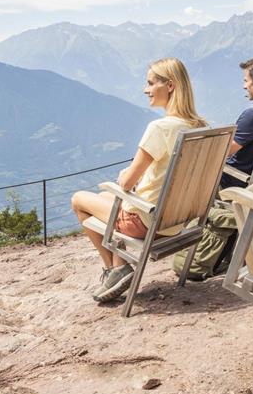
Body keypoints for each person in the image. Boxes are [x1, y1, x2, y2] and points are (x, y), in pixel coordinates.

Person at [71, 57, 207, 303]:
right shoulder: (198, 126)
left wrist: (126, 177)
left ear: (171, 86)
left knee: (79, 200)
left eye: (151, 83)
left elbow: (126, 182)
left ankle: (114, 270)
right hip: (178, 221)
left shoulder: (160, 128)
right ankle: (118, 266)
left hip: (147, 221)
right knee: (105, 198)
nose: (146, 90)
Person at [172, 55, 253, 280]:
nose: (244, 85)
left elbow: (224, 152)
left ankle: (179, 239)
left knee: (188, 176)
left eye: (246, 80)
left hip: (235, 182)